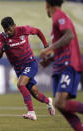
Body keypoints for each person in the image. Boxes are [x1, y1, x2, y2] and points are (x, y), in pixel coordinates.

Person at [0, 16, 55, 120]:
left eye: (10, 29)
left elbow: (38, 31)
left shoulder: (23, 30)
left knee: (20, 84)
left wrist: (46, 45)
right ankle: (48, 102)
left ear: (14, 26)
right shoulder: (1, 37)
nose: (8, 32)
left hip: (30, 63)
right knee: (35, 93)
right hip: (19, 69)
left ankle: (31, 112)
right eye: (6, 30)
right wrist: (2, 50)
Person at [39, 0, 83, 130]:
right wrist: (51, 59)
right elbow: (64, 46)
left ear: (47, 4)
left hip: (68, 64)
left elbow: (69, 35)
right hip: (60, 65)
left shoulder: (59, 15)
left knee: (60, 102)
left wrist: (48, 49)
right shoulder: (57, 19)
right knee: (61, 105)